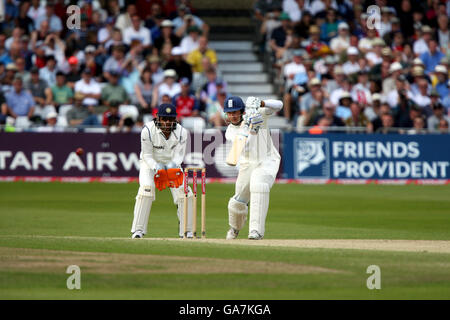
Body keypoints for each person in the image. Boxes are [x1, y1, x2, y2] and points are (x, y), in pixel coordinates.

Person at [131, 103, 194, 239]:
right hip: (150, 165)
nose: (167, 123)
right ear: (158, 118)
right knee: (146, 190)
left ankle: (187, 231)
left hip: (172, 165)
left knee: (186, 193)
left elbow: (179, 156)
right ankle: (138, 231)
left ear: (175, 119)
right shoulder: (147, 130)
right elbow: (147, 155)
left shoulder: (182, 132)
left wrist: (169, 167)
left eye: (170, 119)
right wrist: (157, 167)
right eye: (164, 119)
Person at [224, 96, 283, 240]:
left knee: (259, 185)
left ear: (242, 111)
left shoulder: (258, 114)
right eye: (229, 113)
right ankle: (235, 228)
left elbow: (279, 105)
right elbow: (245, 146)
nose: (232, 116)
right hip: (248, 163)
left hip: (267, 160)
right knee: (238, 202)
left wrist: (263, 103)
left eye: (235, 112)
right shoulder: (230, 132)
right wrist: (252, 129)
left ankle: (256, 231)